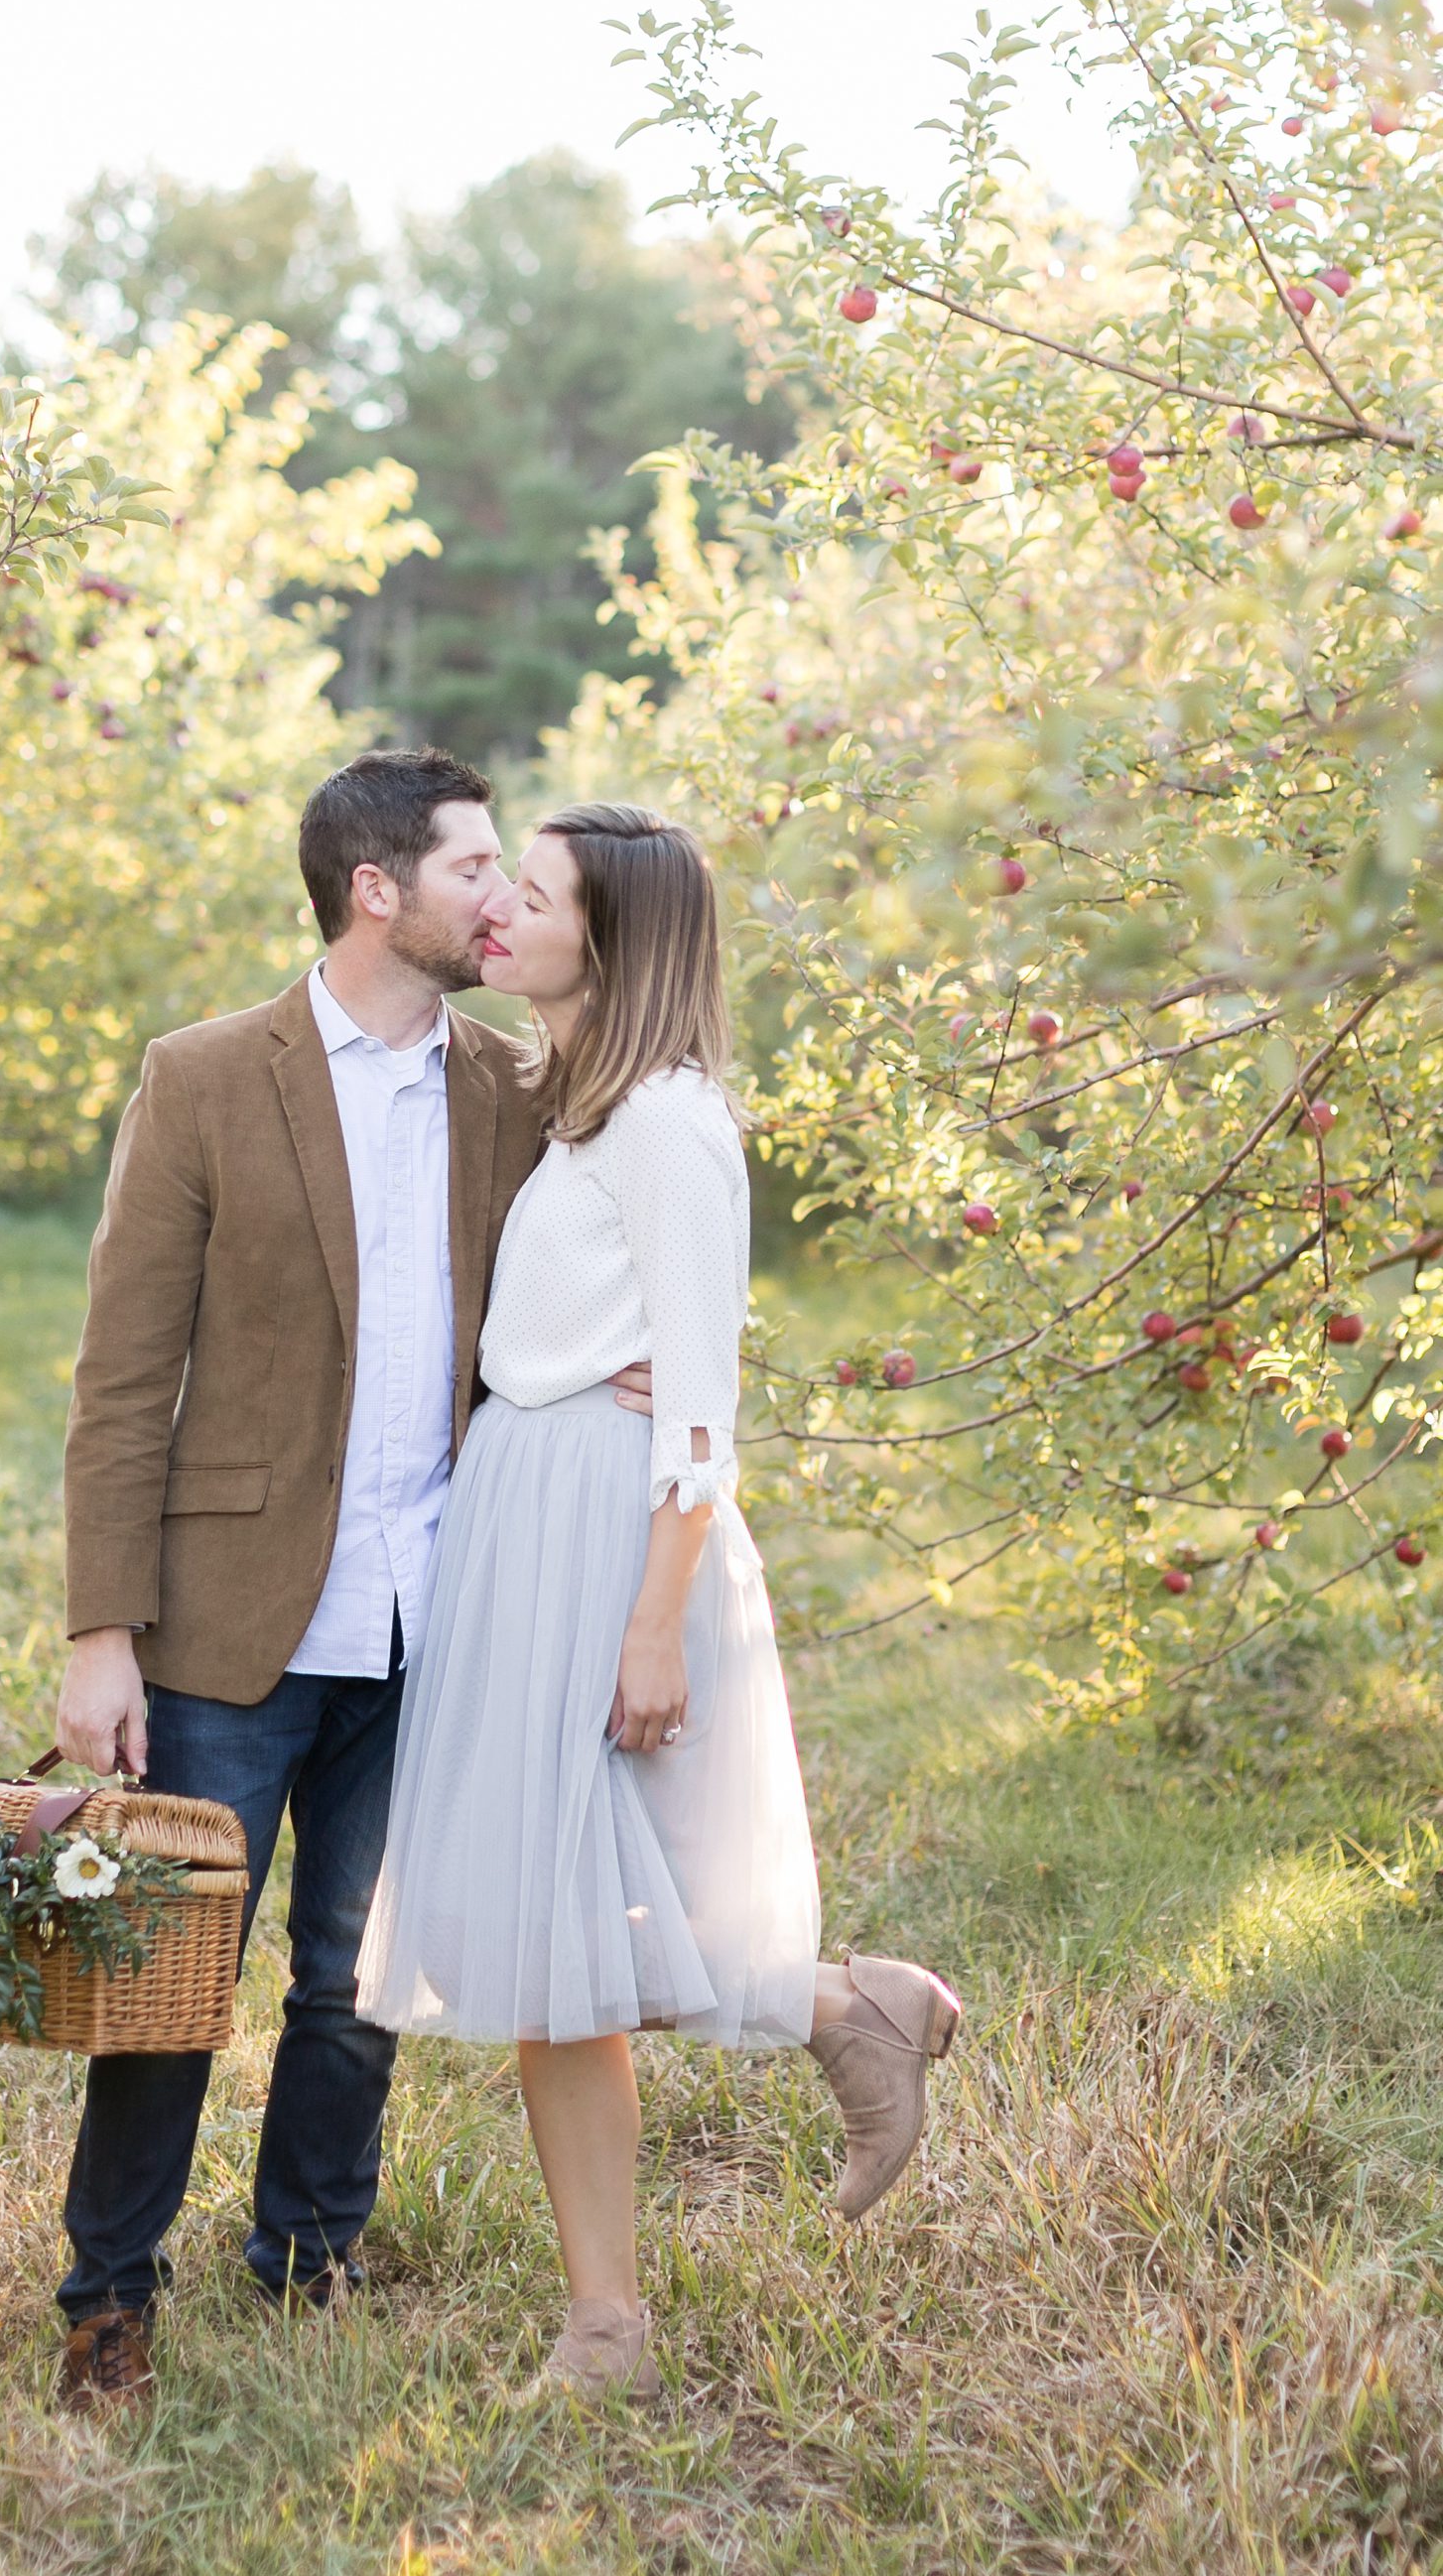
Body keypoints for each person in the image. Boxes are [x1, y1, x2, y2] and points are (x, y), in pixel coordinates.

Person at [48, 747, 650, 2418]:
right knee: (174, 1979)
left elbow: (596, 1269)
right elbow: (119, 1377)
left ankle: (311, 2260)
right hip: (233, 1614)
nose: (502, 899)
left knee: (358, 1975)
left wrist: (647, 1371)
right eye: (475, 868)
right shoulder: (204, 1077)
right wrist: (102, 1632)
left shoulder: (514, 1089)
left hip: (439, 1609)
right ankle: (109, 2293)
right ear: (378, 889)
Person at [357, 802, 962, 2402]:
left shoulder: (675, 1125)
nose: (497, 911)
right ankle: (835, 2029)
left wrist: (648, 1621)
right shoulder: (574, 1105)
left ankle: (621, 2310)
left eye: (531, 894)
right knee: (552, 1936)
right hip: (527, 1514)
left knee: (574, 1929)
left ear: (607, 942)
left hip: (613, 1544)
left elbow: (701, 1405)